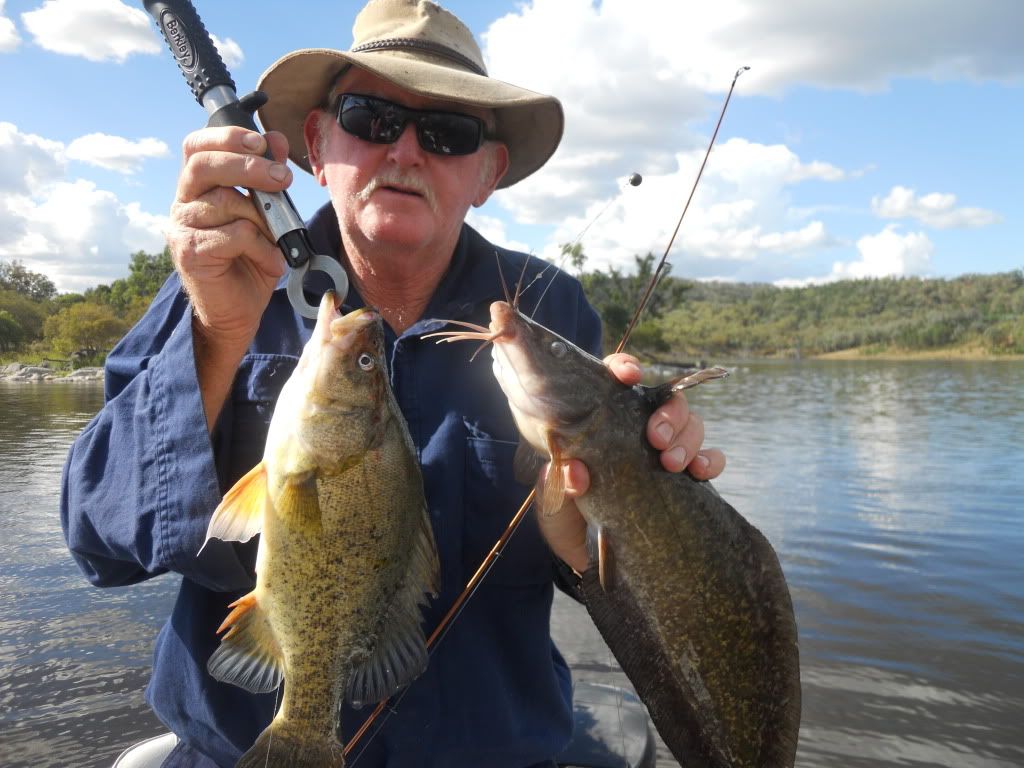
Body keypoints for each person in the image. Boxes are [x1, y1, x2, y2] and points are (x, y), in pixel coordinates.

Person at [62, 1, 725, 766]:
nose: (406, 150)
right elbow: (97, 542)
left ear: (488, 172)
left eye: (449, 133)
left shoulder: (545, 311)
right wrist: (215, 338)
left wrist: (646, 497)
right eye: (370, 117)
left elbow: (609, 578)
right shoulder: (216, 277)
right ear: (316, 143)